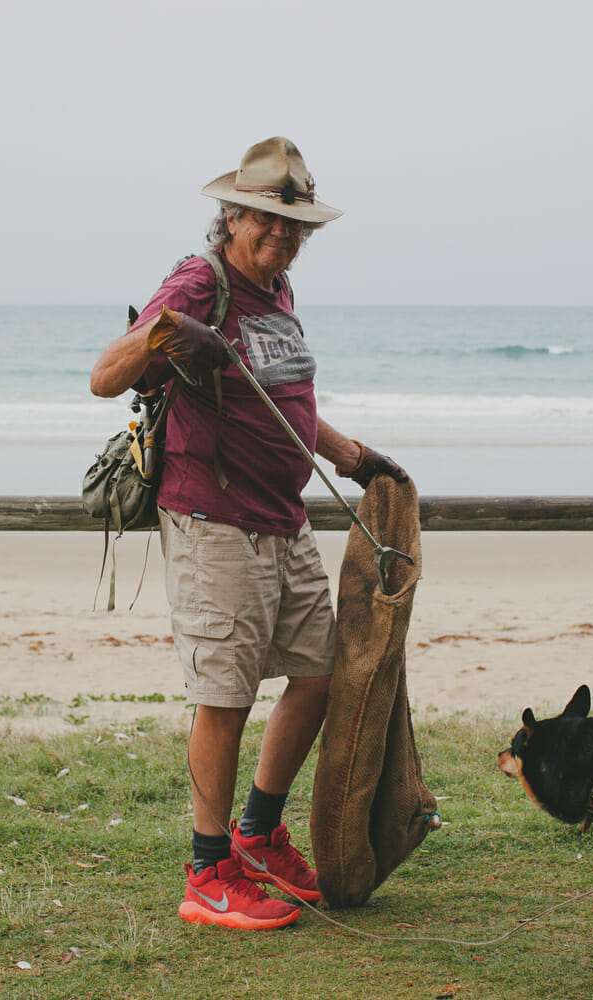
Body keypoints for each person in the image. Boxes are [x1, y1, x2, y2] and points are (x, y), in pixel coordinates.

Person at [90, 136, 406, 930]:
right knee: (224, 695)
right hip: (214, 519)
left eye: (294, 225)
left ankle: (258, 835)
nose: (281, 234)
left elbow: (287, 406)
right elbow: (103, 376)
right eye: (266, 219)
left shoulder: (280, 290)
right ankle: (207, 875)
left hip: (283, 515)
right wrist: (166, 335)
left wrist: (359, 458)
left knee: (320, 673)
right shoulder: (201, 281)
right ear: (230, 216)